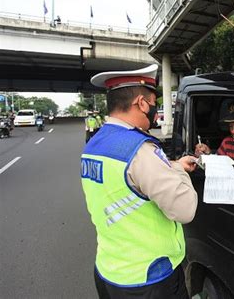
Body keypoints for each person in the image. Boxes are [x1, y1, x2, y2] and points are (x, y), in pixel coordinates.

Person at [81, 64, 198, 298]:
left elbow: (129, 180)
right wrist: (180, 173)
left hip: (110, 270)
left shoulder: (96, 143)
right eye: (153, 101)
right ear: (142, 103)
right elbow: (185, 210)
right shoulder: (139, 149)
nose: (154, 108)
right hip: (149, 276)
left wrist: (173, 165)